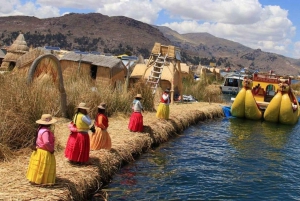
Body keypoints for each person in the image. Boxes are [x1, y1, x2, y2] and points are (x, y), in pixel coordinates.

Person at [26, 114, 57, 185]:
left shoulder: (40, 129)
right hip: (44, 152)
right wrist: (51, 150)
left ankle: (36, 180)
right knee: (42, 168)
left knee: (38, 167)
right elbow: (46, 142)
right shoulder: (45, 131)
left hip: (39, 151)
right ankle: (41, 180)